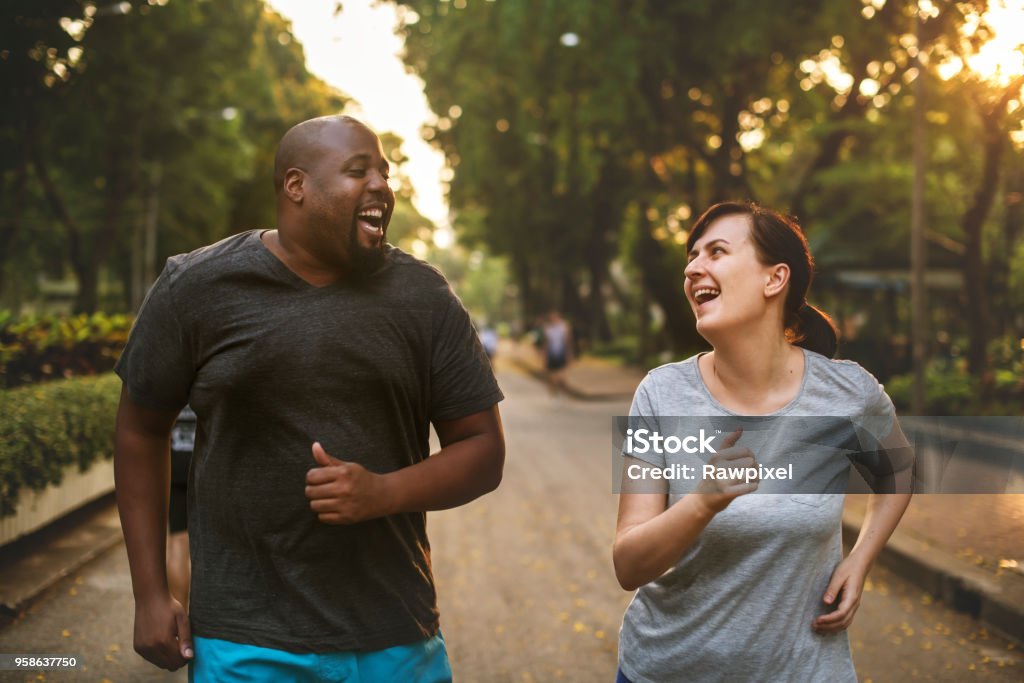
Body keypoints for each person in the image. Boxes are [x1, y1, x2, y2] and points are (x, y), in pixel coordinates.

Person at [114, 115, 505, 681]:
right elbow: (139, 430)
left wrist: (383, 491)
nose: (380, 185)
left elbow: (483, 449)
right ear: (296, 186)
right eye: (357, 171)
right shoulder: (195, 287)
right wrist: (149, 593)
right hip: (244, 643)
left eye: (384, 173)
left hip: (393, 639)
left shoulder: (424, 296)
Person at [612, 201, 913, 683]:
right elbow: (628, 564)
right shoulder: (660, 394)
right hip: (666, 670)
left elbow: (898, 470)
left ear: (774, 279)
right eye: (691, 257)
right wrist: (702, 503)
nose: (693, 268)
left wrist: (860, 560)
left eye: (716, 251)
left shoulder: (847, 394)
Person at [166, 405, 195, 610]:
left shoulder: (175, 375)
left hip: (174, 465)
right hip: (205, 465)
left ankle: (180, 614)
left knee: (178, 541)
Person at [541, 310, 572, 397]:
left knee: (562, 373)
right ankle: (554, 387)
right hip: (551, 354)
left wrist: (569, 354)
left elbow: (567, 342)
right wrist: (544, 356)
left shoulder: (564, 327)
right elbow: (545, 344)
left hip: (561, 352)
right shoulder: (548, 329)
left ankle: (558, 385)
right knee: (551, 373)